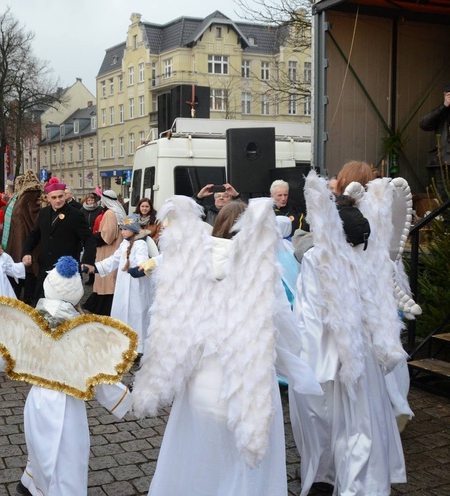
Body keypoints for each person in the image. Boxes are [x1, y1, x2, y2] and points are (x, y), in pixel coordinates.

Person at [131, 195, 321, 495]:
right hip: (246, 390)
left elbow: (169, 321)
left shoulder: (189, 268)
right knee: (243, 472)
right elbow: (287, 335)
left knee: (195, 461)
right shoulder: (260, 273)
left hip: (199, 389)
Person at [288, 166, 408, 496]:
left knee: (328, 425)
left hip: (330, 358)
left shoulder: (318, 259)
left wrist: (310, 364)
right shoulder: (371, 257)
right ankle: (354, 484)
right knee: (360, 427)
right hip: (359, 354)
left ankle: (330, 480)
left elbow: (309, 314)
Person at [0, 256, 133, 496]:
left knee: (40, 447)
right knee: (66, 461)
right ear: (77, 293)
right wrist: (126, 399)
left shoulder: (30, 325)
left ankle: (30, 481)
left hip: (36, 401)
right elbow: (99, 377)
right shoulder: (82, 335)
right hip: (66, 407)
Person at [86, 213, 152, 355]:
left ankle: (138, 348)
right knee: (121, 312)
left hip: (136, 288)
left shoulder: (141, 244)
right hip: (123, 286)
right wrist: (95, 268)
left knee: (137, 315)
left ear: (133, 229)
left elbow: (142, 260)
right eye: (121, 229)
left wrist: (139, 269)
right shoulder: (124, 243)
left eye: (125, 229)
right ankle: (123, 344)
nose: (122, 232)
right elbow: (114, 260)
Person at [22, 178, 95, 304]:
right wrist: (26, 252)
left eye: (60, 196)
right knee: (42, 304)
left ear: (65, 196)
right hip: (45, 266)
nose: (58, 200)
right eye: (54, 197)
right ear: (48, 198)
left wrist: (88, 261)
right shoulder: (43, 213)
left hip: (66, 269)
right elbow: (34, 235)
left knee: (64, 308)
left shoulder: (75, 214)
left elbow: (89, 239)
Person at [83, 190, 124, 315]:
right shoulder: (118, 212)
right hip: (114, 248)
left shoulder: (110, 213)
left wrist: (92, 237)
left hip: (109, 250)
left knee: (107, 278)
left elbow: (108, 236)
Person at [5, 173, 43, 304]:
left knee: (22, 276)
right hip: (26, 249)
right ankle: (27, 301)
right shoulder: (26, 205)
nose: (39, 199)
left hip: (19, 248)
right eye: (37, 197)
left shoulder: (18, 203)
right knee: (28, 276)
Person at [419, 83, 450, 192]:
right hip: (442, 162)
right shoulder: (442, 112)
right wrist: (444, 106)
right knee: (444, 197)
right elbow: (424, 124)